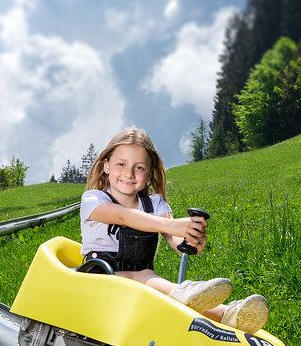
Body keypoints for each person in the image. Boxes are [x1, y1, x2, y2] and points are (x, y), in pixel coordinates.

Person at [79, 127, 268, 333]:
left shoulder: (155, 203)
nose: (129, 173)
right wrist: (173, 224)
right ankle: (187, 294)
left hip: (144, 277)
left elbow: (174, 239)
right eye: (121, 164)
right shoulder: (93, 199)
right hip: (100, 276)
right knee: (146, 282)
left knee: (147, 279)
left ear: (149, 173)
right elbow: (124, 216)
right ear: (106, 166)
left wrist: (190, 239)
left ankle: (229, 315)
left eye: (139, 167)